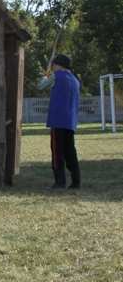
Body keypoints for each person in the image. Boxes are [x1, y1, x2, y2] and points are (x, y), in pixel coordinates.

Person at [45, 54, 81, 189]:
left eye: (53, 65)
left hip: (57, 120)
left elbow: (41, 85)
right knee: (70, 151)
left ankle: (59, 182)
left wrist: (46, 74)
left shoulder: (56, 76)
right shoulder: (75, 79)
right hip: (70, 121)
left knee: (57, 152)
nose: (52, 67)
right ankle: (76, 181)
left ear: (57, 65)